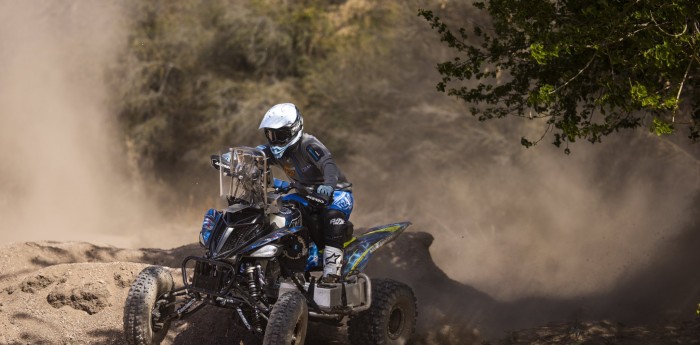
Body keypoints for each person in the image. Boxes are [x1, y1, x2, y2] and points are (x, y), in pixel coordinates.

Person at [257, 103, 353, 283]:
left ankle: (332, 271)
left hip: (336, 192)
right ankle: (290, 263)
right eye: (271, 135)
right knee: (280, 212)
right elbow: (254, 155)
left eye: (281, 135)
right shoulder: (271, 151)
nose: (275, 141)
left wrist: (328, 187)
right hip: (303, 193)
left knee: (332, 217)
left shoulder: (309, 144)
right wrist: (229, 160)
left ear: (295, 129)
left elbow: (328, 166)